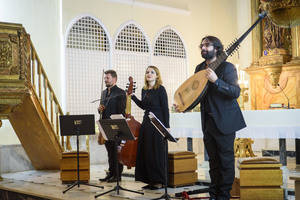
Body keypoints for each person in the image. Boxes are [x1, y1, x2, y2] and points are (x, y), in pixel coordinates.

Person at [193, 36, 246, 200]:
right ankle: (214, 194)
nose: (203, 47)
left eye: (207, 45)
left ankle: (223, 196)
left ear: (217, 48)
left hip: (224, 121)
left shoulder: (227, 67)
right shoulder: (199, 67)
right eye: (201, 45)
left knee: (225, 161)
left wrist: (217, 81)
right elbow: (196, 92)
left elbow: (235, 92)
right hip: (207, 122)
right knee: (213, 162)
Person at [131, 66, 169, 190]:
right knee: (147, 151)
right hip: (146, 122)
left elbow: (165, 108)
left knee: (156, 152)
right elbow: (143, 106)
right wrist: (133, 97)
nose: (149, 74)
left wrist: (167, 126)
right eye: (147, 72)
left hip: (158, 123)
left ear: (157, 75)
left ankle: (159, 181)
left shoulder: (161, 89)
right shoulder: (144, 90)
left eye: (152, 72)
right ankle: (150, 180)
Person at [98, 70, 126, 183]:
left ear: (114, 79)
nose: (105, 80)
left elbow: (122, 110)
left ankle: (117, 175)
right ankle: (111, 173)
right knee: (109, 151)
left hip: (115, 125)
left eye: (107, 78)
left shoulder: (120, 92)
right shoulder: (104, 93)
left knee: (116, 151)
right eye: (105, 78)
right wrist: (99, 109)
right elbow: (101, 109)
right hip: (105, 125)